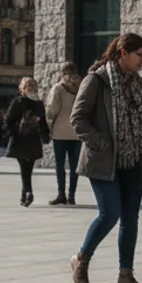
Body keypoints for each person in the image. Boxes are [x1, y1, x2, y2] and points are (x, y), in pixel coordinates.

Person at [69, 33, 142, 283]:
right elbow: (78, 118)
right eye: (139, 54)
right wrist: (100, 143)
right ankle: (81, 259)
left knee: (131, 218)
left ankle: (125, 277)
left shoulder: (140, 85)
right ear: (122, 53)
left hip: (133, 158)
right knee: (110, 214)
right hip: (105, 159)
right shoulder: (97, 80)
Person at [5, 77, 50, 207]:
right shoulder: (39, 104)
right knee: (27, 169)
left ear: (22, 89)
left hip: (20, 140)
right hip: (34, 139)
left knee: (24, 168)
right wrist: (45, 136)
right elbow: (43, 122)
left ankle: (28, 192)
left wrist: (13, 132)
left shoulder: (17, 102)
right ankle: (24, 195)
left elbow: (8, 121)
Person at [47, 62, 83, 205]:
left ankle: (61, 194)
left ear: (62, 72)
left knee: (60, 164)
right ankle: (72, 195)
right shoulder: (82, 87)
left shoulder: (59, 88)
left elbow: (53, 109)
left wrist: (49, 118)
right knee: (75, 165)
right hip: (77, 132)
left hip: (60, 132)